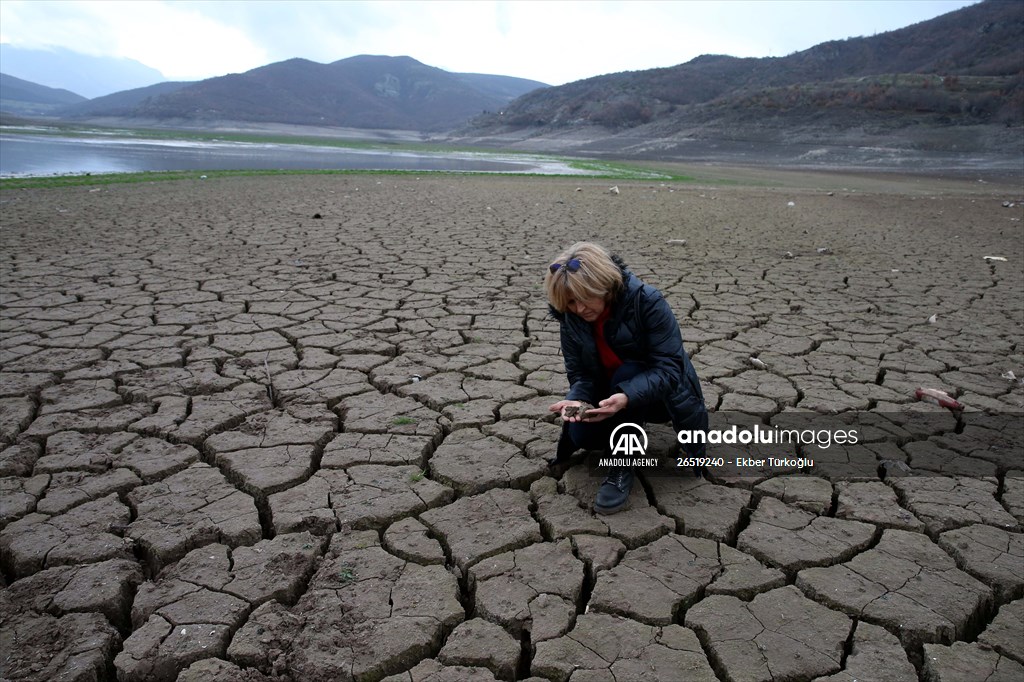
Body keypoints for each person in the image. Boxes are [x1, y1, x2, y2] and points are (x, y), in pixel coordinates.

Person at [545, 241, 708, 514]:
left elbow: (669, 369)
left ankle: (621, 466)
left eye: (585, 297)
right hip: (611, 394)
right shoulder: (571, 318)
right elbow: (581, 374)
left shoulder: (647, 301)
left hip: (660, 396)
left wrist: (626, 396)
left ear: (604, 285)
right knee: (581, 434)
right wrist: (577, 400)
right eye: (571, 302)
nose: (579, 309)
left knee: (628, 372)